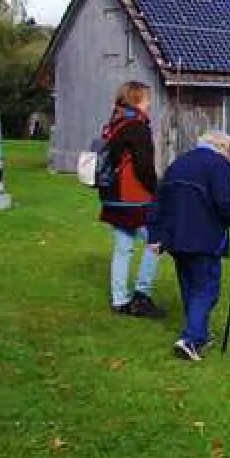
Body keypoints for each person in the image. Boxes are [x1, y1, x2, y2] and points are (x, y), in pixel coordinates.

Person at [149, 131, 230, 361]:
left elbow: (158, 201)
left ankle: (200, 335)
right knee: (206, 289)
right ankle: (191, 339)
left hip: (175, 238)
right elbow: (224, 202)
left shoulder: (177, 163)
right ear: (222, 147)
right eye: (228, 151)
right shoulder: (218, 165)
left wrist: (155, 235)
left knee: (189, 287)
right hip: (203, 237)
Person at [100, 81, 165, 318]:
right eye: (147, 99)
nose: (149, 104)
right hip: (134, 198)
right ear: (137, 100)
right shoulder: (137, 127)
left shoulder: (113, 124)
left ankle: (120, 300)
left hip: (112, 196)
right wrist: (157, 189)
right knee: (157, 240)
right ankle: (142, 295)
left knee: (122, 248)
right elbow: (144, 166)